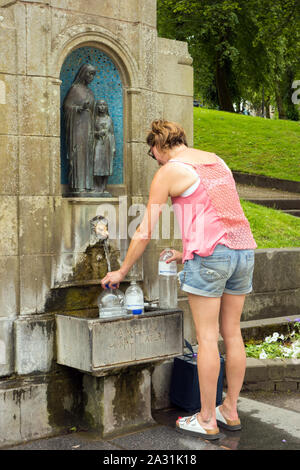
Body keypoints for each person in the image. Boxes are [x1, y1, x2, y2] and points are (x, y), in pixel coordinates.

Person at [100, 119, 257, 440]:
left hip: (212, 257)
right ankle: (230, 408)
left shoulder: (169, 170)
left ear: (157, 147)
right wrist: (185, 252)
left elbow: (144, 230)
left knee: (208, 338)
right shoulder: (216, 160)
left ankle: (207, 418)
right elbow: (218, 216)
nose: (155, 158)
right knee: (233, 333)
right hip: (243, 251)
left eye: (152, 153)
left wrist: (121, 271)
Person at [63, 63, 96, 193]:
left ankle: (88, 184)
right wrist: (79, 108)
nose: (92, 77)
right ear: (83, 73)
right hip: (77, 127)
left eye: (94, 74)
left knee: (88, 154)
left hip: (89, 127)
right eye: (90, 73)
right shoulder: (75, 89)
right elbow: (67, 107)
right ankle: (78, 185)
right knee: (78, 154)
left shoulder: (90, 91)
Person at [94, 99, 116, 193]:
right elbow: (90, 132)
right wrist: (97, 133)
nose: (102, 107)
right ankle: (98, 185)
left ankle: (103, 186)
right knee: (96, 162)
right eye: (100, 105)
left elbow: (112, 133)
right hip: (98, 143)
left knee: (106, 164)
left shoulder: (108, 119)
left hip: (107, 143)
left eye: (104, 105)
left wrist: (113, 147)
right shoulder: (94, 119)